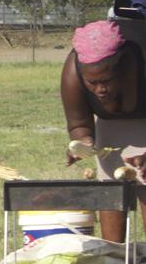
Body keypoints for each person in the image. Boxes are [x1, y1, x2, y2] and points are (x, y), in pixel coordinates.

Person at [61, 19, 146, 241]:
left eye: (106, 80)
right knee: (110, 189)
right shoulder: (73, 74)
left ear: (122, 63)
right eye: (92, 82)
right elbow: (79, 125)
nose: (100, 90)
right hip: (110, 125)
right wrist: (83, 145)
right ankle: (113, 253)